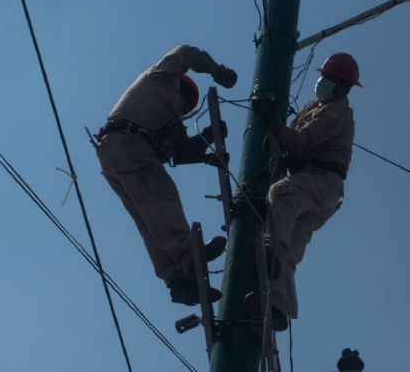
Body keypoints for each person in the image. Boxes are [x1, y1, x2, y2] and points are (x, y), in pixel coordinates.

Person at [95, 45, 238, 306]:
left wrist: (208, 142)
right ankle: (189, 254)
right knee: (162, 199)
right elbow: (186, 52)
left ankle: (178, 280)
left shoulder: (163, 118)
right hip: (128, 142)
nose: (180, 109)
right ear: (181, 89)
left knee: (148, 218)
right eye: (182, 104)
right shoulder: (161, 77)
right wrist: (218, 71)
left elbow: (180, 153)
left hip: (114, 151)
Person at [250, 52, 361, 329]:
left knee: (282, 194)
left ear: (344, 87)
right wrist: (278, 141)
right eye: (324, 76)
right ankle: (277, 306)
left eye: (331, 79)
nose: (323, 82)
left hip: (322, 182)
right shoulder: (314, 106)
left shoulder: (337, 112)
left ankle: (269, 251)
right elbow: (293, 141)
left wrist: (273, 125)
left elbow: (301, 142)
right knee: (290, 250)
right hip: (316, 185)